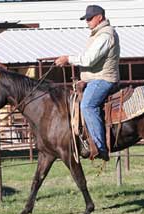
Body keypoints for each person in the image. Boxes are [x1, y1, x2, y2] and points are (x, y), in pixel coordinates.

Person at [55, 5, 120, 161]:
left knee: (87, 105)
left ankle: (99, 146)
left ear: (100, 17)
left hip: (104, 79)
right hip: (96, 78)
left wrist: (67, 59)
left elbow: (89, 59)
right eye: (86, 19)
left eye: (90, 19)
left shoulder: (105, 35)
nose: (87, 22)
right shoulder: (99, 34)